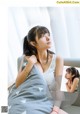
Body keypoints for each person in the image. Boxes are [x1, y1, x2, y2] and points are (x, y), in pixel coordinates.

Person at [8, 25, 64, 114]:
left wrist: (55, 111)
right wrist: (30, 64)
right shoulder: (27, 59)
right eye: (43, 36)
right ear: (33, 43)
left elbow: (59, 88)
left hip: (46, 101)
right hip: (27, 99)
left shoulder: (58, 59)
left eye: (48, 34)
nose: (48, 38)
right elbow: (18, 83)